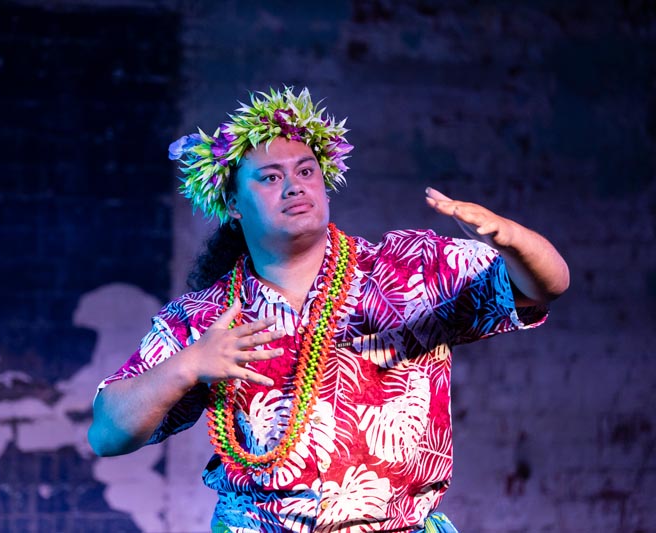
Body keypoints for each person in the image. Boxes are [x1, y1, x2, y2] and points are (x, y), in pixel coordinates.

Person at [88, 87, 569, 532]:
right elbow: (107, 434)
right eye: (271, 178)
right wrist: (189, 365)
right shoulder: (205, 317)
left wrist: (511, 240)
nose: (294, 187)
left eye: (305, 171)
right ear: (233, 204)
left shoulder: (406, 269)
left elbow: (547, 285)